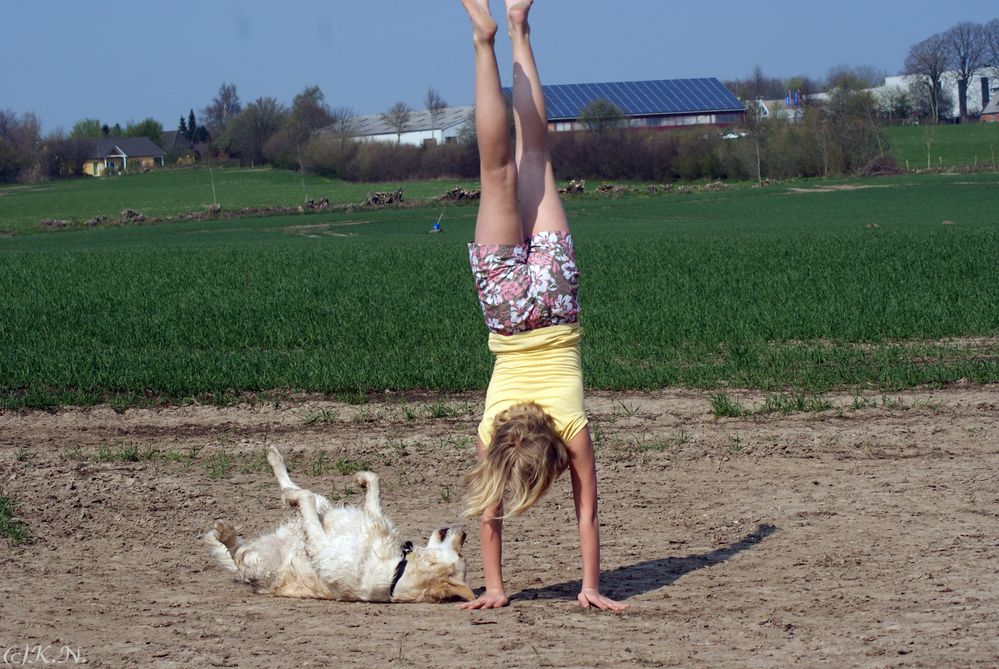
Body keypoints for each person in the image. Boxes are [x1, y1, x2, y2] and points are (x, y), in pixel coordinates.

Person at [457, 0, 628, 612]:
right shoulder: (491, 434)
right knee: (496, 170)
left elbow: (586, 515)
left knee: (534, 158)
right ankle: (485, 43)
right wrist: (503, 586)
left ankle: (518, 29)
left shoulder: (572, 431)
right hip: (506, 309)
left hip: (553, 302)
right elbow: (490, 517)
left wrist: (587, 584)